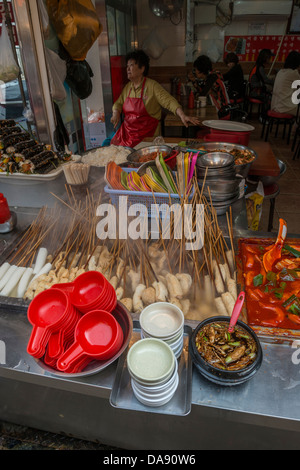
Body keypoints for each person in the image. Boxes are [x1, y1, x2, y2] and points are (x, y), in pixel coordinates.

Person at [110, 50, 200, 147]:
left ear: (142, 69)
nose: (127, 69)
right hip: (127, 136)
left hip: (147, 138)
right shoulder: (128, 87)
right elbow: (118, 103)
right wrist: (116, 113)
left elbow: (169, 101)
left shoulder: (152, 86)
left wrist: (182, 115)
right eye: (127, 66)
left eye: (131, 65)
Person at [271, 50, 300, 116]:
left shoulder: (280, 71)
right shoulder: (293, 73)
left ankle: (294, 126)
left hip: (275, 106)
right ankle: (294, 126)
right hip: (285, 107)